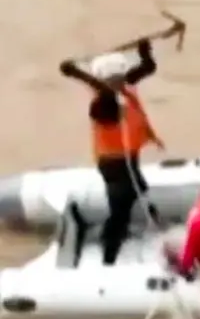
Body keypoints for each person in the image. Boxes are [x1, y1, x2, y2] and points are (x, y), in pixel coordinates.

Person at [59, 40, 165, 265]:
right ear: (105, 81)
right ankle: (109, 251)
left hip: (129, 158)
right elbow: (106, 92)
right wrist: (77, 73)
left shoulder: (124, 87)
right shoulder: (101, 105)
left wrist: (145, 53)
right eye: (115, 79)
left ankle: (147, 216)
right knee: (120, 210)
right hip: (113, 165)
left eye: (121, 77)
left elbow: (147, 69)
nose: (120, 82)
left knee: (139, 187)